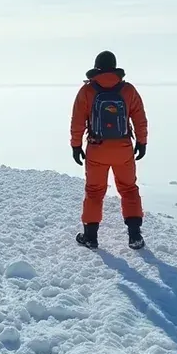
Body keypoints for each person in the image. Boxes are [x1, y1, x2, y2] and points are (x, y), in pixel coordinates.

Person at [69, 50, 148, 250]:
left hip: (97, 149)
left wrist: (76, 145)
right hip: (123, 148)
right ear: (114, 67)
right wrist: (142, 142)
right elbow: (139, 118)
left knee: (94, 192)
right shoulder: (128, 90)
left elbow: (77, 121)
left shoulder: (87, 91)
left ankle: (90, 237)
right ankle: (134, 236)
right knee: (129, 189)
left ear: (96, 68)